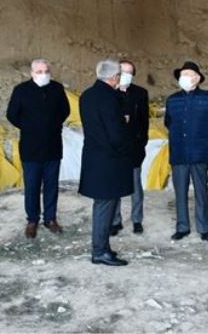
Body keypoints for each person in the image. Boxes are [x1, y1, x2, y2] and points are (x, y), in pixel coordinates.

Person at [6, 59, 70, 238]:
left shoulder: (56, 88)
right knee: (32, 186)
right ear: (32, 73)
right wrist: (29, 126)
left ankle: (50, 219)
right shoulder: (21, 90)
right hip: (30, 147)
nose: (44, 75)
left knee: (51, 185)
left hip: (52, 145)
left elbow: (65, 110)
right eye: (40, 71)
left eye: (46, 71)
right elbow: (12, 114)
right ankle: (32, 220)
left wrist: (52, 125)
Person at [79, 59, 133, 266]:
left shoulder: (87, 95)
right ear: (113, 77)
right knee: (105, 206)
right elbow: (115, 133)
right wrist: (125, 126)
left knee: (102, 204)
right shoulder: (110, 98)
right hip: (109, 160)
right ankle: (100, 251)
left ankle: (102, 247)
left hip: (94, 157)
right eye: (119, 74)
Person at [164, 61, 208, 242]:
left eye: (188, 75)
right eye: (182, 75)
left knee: (201, 192)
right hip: (179, 153)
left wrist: (207, 145)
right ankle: (182, 227)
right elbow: (168, 123)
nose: (184, 78)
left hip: (199, 154)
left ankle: (204, 228)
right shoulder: (172, 100)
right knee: (180, 192)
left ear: (197, 78)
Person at [110, 59, 150, 236]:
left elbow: (144, 122)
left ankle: (137, 220)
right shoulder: (109, 93)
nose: (125, 75)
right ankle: (115, 221)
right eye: (122, 71)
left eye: (129, 72)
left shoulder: (140, 93)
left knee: (135, 186)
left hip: (134, 147)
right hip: (115, 149)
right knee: (115, 185)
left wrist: (142, 142)